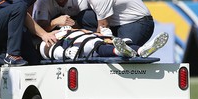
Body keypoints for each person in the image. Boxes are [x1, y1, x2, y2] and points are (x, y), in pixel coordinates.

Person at [39, 26, 169, 60]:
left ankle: (141, 50)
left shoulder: (76, 29)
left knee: (110, 42)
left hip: (92, 38)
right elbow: (45, 49)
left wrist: (105, 34)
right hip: (74, 46)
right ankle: (121, 51)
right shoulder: (51, 35)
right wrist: (64, 53)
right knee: (93, 46)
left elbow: (90, 33)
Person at [32, 0, 97, 32]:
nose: (60, 1)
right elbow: (39, 29)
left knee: (87, 16)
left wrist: (73, 24)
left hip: (77, 20)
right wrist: (54, 22)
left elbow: (88, 21)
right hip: (55, 25)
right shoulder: (43, 0)